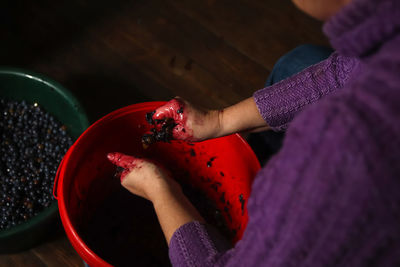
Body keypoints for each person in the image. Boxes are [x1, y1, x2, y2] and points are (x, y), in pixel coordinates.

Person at [107, 0, 400, 265]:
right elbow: (344, 74)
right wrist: (218, 120)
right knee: (297, 62)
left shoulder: (342, 151)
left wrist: (162, 192)